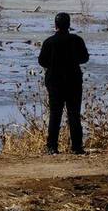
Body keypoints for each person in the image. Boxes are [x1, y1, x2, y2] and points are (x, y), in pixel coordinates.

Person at [37, 12, 89, 155]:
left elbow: (42, 61)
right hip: (73, 81)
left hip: (54, 82)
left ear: (55, 25)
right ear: (69, 25)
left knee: (55, 114)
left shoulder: (49, 42)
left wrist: (53, 64)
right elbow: (84, 58)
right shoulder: (77, 40)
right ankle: (77, 147)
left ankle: (52, 147)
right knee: (74, 114)